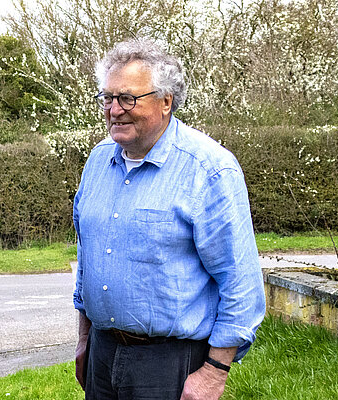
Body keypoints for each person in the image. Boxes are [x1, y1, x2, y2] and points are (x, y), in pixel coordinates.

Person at [73, 39, 266, 400]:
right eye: (107, 97)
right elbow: (89, 260)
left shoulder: (209, 169)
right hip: (101, 355)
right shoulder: (98, 162)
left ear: (166, 101)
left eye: (128, 98)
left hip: (171, 364)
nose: (115, 110)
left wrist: (214, 373)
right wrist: (85, 339)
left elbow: (241, 283)